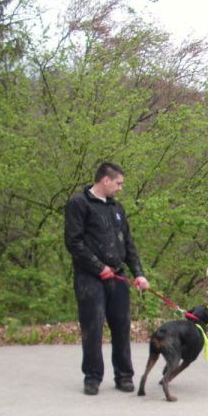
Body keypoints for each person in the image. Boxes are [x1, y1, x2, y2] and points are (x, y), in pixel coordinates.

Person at [64, 162, 150, 395]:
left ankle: (124, 376)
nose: (120, 188)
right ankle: (92, 377)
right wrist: (98, 266)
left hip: (118, 277)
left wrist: (139, 274)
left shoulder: (117, 209)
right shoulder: (79, 204)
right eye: (118, 183)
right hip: (90, 279)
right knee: (92, 327)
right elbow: (74, 242)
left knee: (122, 326)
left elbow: (128, 244)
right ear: (105, 180)